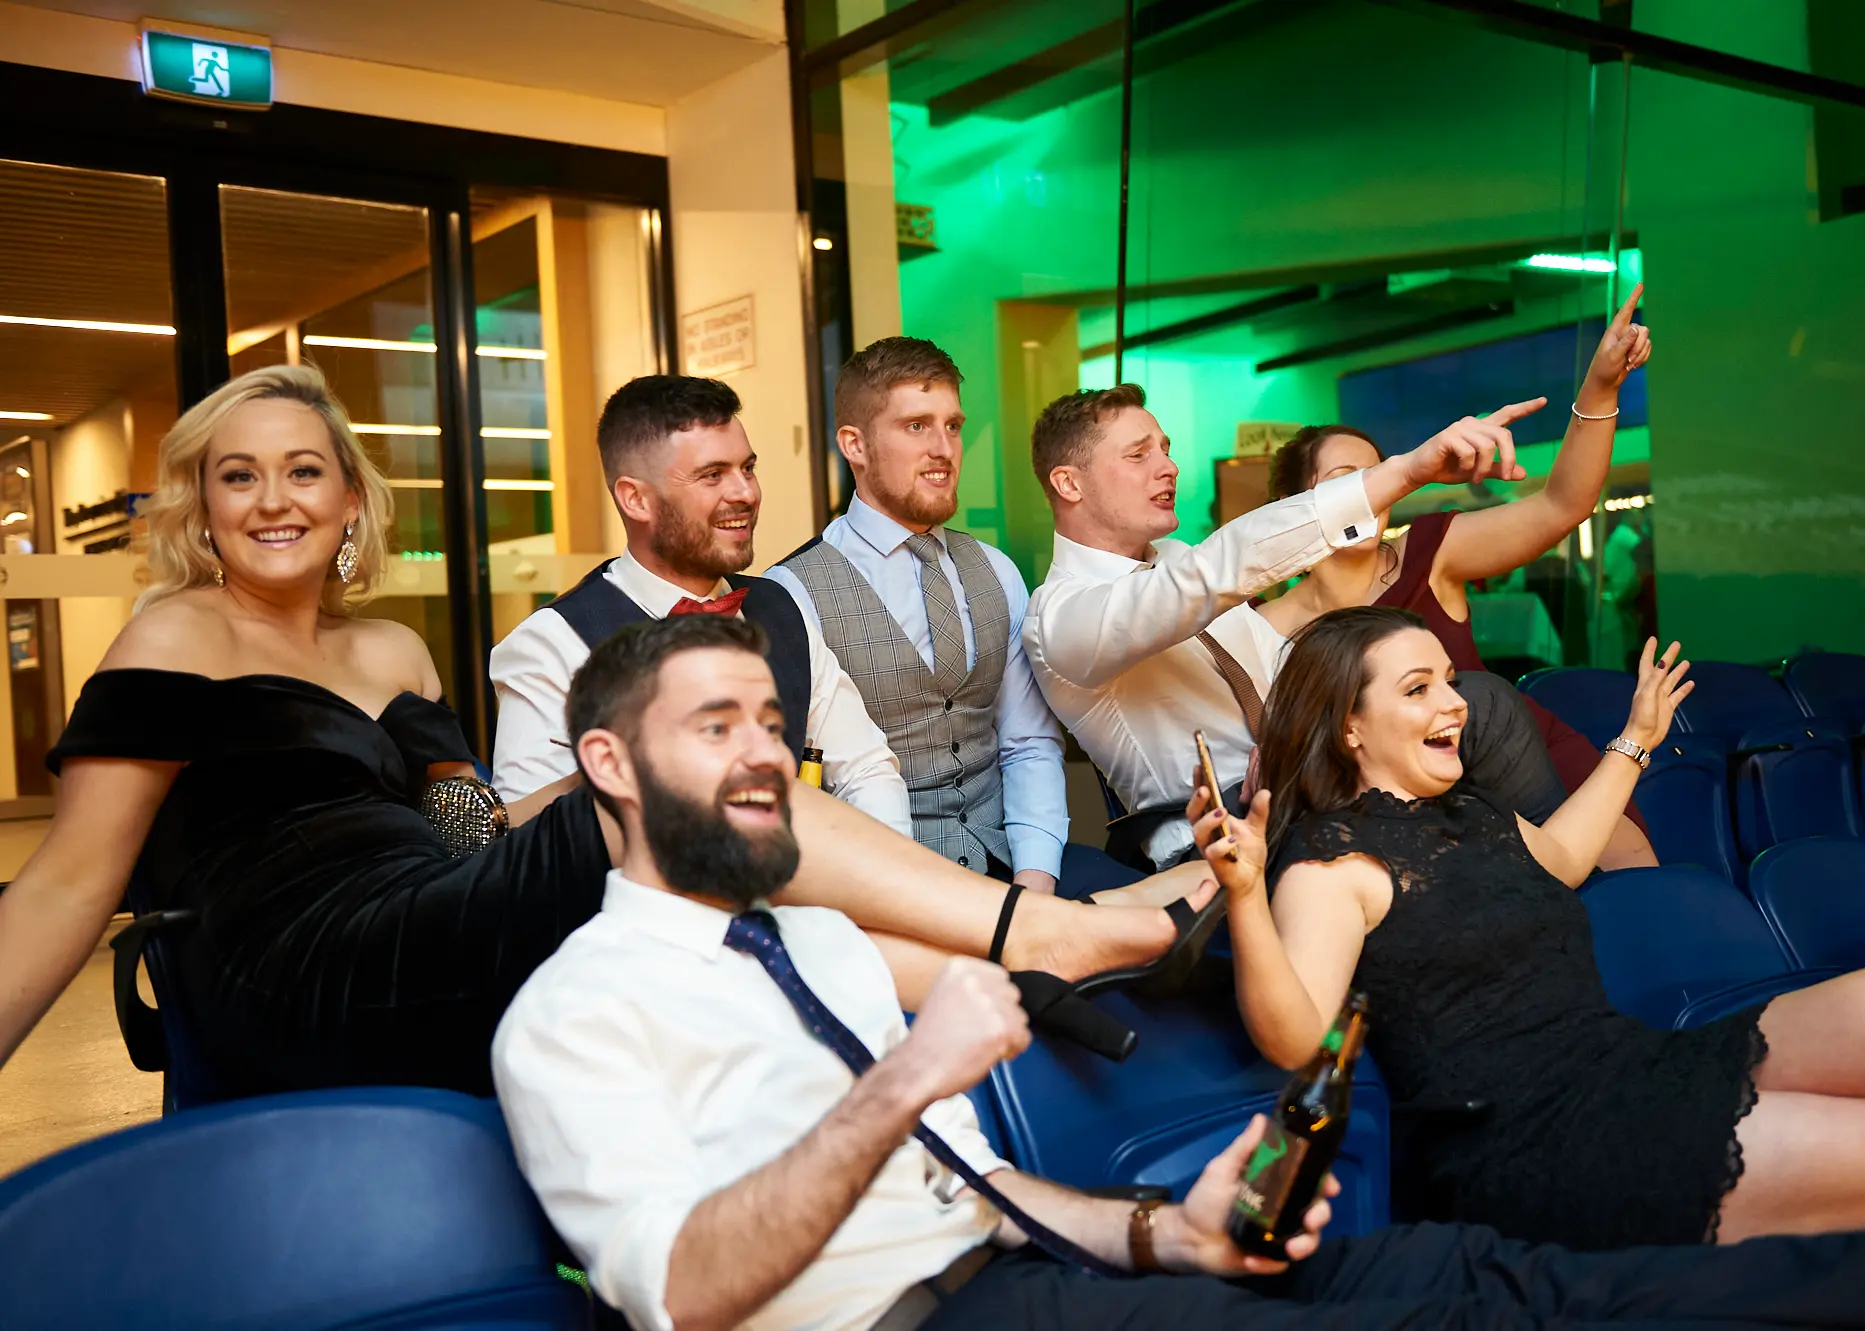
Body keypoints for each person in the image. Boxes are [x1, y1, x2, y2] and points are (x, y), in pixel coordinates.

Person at [493, 611, 1865, 1331]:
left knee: (1461, 1281)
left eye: (772, 720)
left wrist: (1168, 1232)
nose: (765, 750)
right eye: (718, 727)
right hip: (931, 1322)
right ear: (608, 763)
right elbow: (681, 1290)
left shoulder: (820, 936)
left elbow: (989, 1198)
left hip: (1039, 1261)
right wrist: (905, 1078)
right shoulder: (567, 1014)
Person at [0, 366, 1227, 1092]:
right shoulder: (172, 635)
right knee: (721, 774)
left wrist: (618, 780)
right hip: (300, 959)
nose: (276, 500)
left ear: (349, 499)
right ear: (201, 504)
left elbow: (471, 827)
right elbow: (64, 885)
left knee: (702, 810)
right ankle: (1063, 930)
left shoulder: (390, 650)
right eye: (240, 475)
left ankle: (1026, 957)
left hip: (434, 911)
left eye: (305, 471)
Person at [1189, 605, 1865, 1251]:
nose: (1455, 703)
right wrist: (1248, 895)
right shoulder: (1331, 863)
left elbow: (1569, 856)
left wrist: (1639, 737)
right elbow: (1296, 1039)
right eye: (1417, 689)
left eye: (1448, 679)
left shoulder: (1472, 811)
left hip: (1626, 1065)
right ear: (1348, 727)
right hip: (1537, 1148)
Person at [1021, 379, 1535, 867]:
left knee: (1474, 710)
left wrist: (1291, 737)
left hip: (1311, 788)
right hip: (1220, 836)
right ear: (1069, 483)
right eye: (1139, 455)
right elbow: (1211, 574)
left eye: (1165, 449)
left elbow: (1282, 668)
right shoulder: (1059, 617)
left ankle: (1571, 880)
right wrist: (1403, 473)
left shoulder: (1176, 557)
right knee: (1483, 714)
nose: (1169, 467)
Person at [1249, 285, 1654, 867]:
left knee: (1632, 897)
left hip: (1528, 767)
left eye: (1378, 476)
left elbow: (1562, 504)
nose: (1366, 494)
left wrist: (1601, 386)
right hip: (1410, 822)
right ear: (1293, 501)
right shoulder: (1263, 630)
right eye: (1343, 478)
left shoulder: (1430, 551)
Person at [768, 337, 1128, 898]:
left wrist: (1034, 884)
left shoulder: (996, 570)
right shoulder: (789, 593)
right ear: (854, 445)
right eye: (916, 426)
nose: (943, 448)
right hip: (879, 887)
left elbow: (1027, 742)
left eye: (953, 426)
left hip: (1011, 867)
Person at [489, 374, 910, 834]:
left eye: (747, 468)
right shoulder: (549, 647)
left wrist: (874, 895)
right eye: (713, 475)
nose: (746, 493)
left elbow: (867, 770)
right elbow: (536, 849)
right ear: (636, 499)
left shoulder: (780, 606)